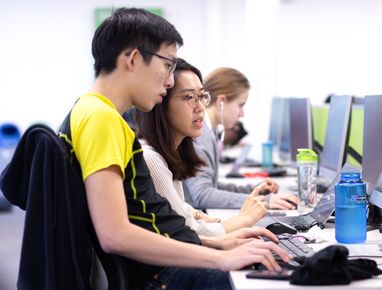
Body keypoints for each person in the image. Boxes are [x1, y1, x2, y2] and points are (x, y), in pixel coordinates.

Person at [58, 8, 289, 290]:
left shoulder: (93, 112)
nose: (169, 80)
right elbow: (115, 234)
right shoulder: (101, 118)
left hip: (163, 265)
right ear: (132, 59)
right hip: (159, 276)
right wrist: (218, 258)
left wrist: (215, 243)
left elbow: (143, 221)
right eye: (167, 65)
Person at [135, 58, 268, 236]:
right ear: (161, 102)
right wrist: (245, 218)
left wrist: (192, 212)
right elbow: (190, 231)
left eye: (201, 97)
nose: (200, 108)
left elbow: (174, 208)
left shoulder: (170, 155)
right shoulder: (151, 158)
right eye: (189, 97)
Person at [183, 67, 300, 210]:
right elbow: (202, 195)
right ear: (221, 101)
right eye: (240, 105)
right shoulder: (201, 135)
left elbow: (211, 186)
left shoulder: (207, 131)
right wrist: (263, 201)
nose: (242, 114)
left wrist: (255, 191)